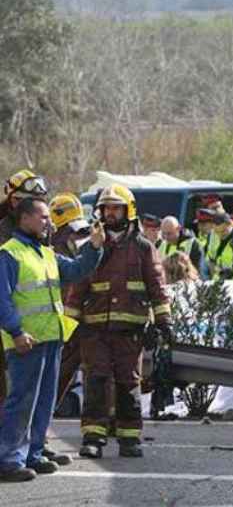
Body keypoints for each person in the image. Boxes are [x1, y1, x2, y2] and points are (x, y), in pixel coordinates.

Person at [0, 197, 104, 482]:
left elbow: (76, 270)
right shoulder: (9, 254)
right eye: (43, 217)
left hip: (50, 338)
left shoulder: (45, 253)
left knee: (44, 401)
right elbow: (2, 300)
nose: (49, 223)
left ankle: (33, 454)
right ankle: (9, 460)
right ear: (24, 219)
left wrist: (94, 247)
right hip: (26, 342)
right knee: (22, 400)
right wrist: (16, 332)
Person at [65, 185, 172, 460]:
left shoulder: (143, 248)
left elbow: (157, 286)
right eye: (106, 208)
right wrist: (68, 325)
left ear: (129, 211)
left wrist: (164, 322)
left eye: (116, 208)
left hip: (131, 331)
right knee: (96, 380)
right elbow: (77, 286)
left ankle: (129, 438)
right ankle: (93, 437)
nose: (110, 213)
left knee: (128, 382)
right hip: (94, 329)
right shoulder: (91, 246)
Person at [0, 171, 49, 429]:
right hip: (8, 322)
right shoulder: (4, 236)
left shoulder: (38, 233)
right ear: (13, 202)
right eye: (25, 200)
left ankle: (32, 444)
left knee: (33, 389)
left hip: (30, 326)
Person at [49, 194, 95, 436]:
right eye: (69, 229)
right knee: (53, 381)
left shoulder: (81, 242)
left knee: (83, 377)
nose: (75, 234)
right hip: (58, 324)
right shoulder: (48, 251)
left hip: (81, 322)